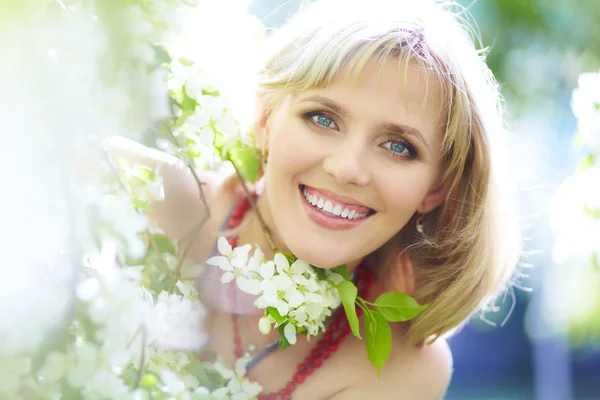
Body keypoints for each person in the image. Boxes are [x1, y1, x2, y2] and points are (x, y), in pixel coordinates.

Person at [108, 0, 521, 398]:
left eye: (398, 146)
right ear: (266, 118)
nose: (346, 168)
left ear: (436, 189)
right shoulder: (135, 191)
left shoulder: (400, 369)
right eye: (322, 118)